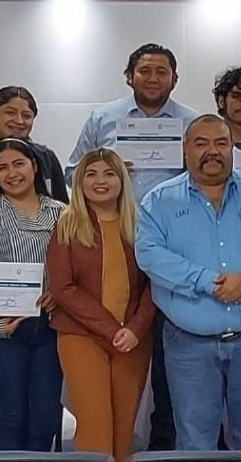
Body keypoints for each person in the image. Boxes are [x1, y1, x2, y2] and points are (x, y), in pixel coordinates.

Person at [65, 43, 199, 450]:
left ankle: (164, 444)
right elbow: (73, 170)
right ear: (129, 76)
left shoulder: (192, 123)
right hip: (111, 239)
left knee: (169, 361)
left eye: (162, 72)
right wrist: (113, 171)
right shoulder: (103, 118)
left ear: (174, 79)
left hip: (176, 247)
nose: (153, 78)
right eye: (145, 71)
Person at [135, 115, 241, 450]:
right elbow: (150, 255)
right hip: (188, 345)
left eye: (221, 143)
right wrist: (209, 282)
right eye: (202, 143)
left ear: (232, 148)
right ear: (185, 149)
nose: (213, 151)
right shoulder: (159, 200)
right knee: (195, 440)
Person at [48, 148, 157, 462]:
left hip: (133, 339)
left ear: (122, 179)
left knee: (125, 431)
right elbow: (63, 288)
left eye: (109, 173)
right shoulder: (67, 225)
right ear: (79, 182)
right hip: (81, 337)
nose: (100, 181)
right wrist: (114, 329)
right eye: (91, 174)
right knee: (95, 428)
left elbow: (154, 283)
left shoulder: (140, 226)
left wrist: (135, 329)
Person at [0, 138, 64, 451]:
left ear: (35, 167)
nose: (11, 173)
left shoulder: (63, 214)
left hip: (51, 327)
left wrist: (59, 293)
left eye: (18, 164)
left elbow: (74, 271)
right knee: (9, 414)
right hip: (3, 331)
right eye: (2, 167)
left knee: (45, 415)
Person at [0, 86, 68, 202]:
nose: (19, 121)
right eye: (10, 113)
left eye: (26, 116)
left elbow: (63, 207)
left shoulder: (46, 157)